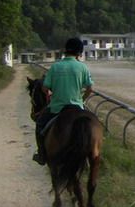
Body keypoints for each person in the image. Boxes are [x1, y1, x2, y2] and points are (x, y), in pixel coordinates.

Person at [33, 37, 94, 165]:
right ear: (79, 53)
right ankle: (92, 156)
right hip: (77, 107)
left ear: (65, 51)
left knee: (39, 125)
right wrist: (81, 100)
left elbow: (45, 88)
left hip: (56, 108)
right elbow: (90, 89)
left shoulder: (55, 67)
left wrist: (49, 93)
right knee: (93, 125)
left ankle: (42, 154)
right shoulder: (82, 67)